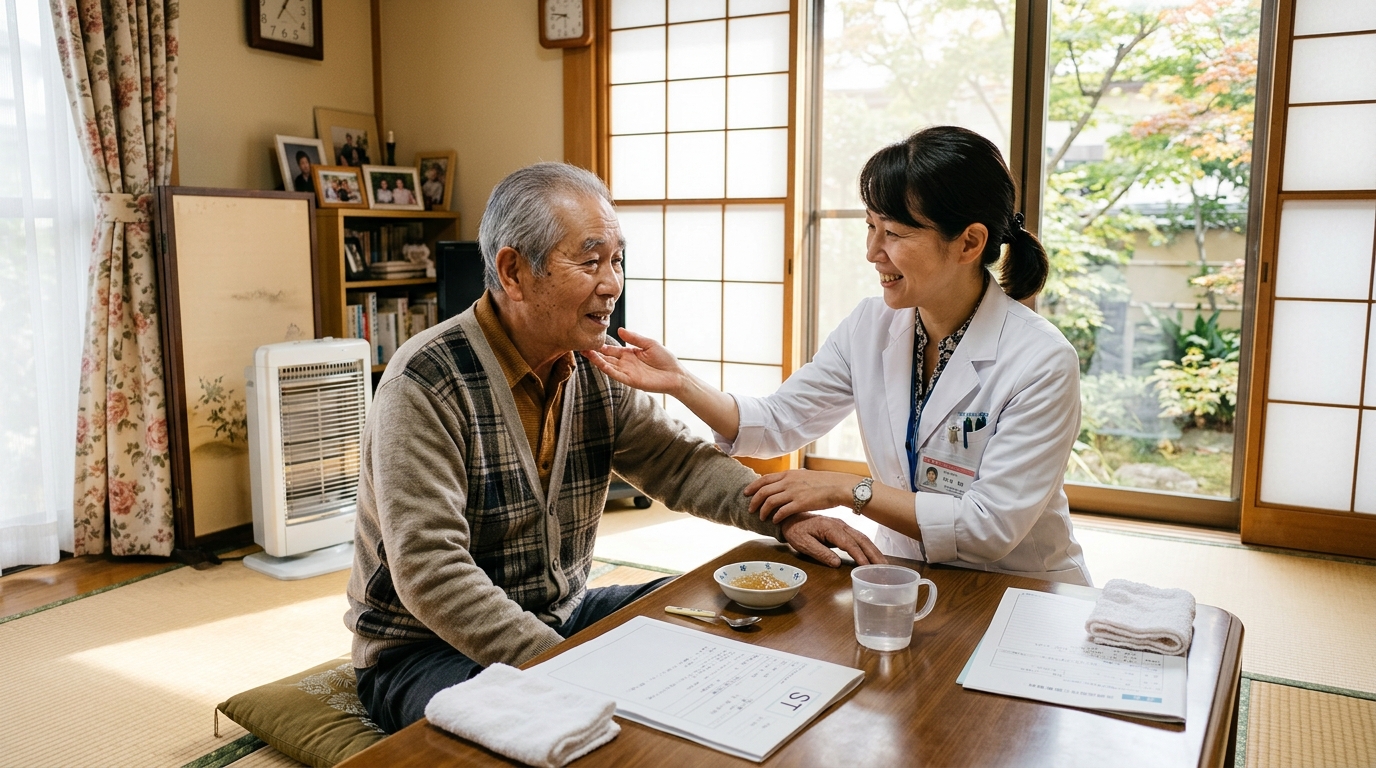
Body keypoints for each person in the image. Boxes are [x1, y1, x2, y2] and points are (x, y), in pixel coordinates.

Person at [345, 162, 883, 733]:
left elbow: (679, 464)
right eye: (589, 259)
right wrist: (565, 668)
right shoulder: (425, 382)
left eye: (617, 259)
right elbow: (432, 570)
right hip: (425, 650)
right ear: (513, 271)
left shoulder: (594, 366)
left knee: (720, 616)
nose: (612, 283)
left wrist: (784, 517)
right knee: (554, 730)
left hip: (564, 614)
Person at [585, 126, 1091, 586]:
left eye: (894, 234)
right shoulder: (872, 326)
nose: (873, 252)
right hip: (900, 573)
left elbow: (989, 527)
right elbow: (777, 422)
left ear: (969, 243)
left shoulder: (1041, 361)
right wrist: (680, 383)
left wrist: (849, 490)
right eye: (870, 227)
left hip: (1020, 589)